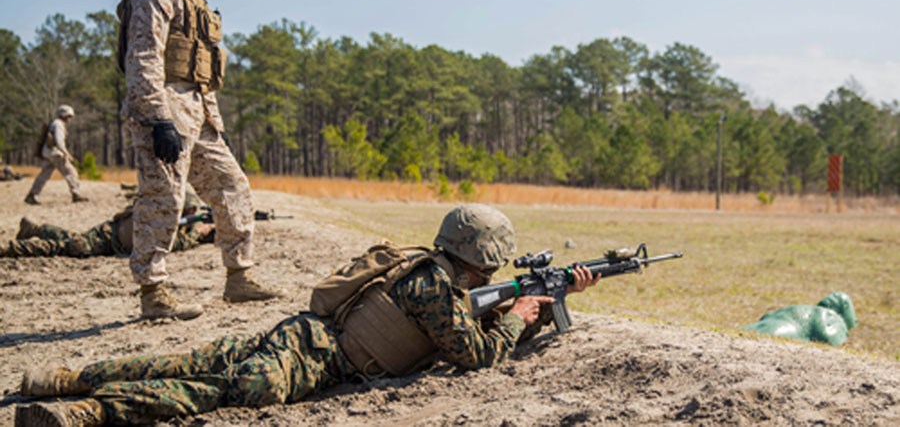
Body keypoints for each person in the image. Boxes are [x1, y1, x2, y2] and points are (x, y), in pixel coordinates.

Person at [14, 204, 601, 427]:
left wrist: (536, 304)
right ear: (482, 256)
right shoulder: (435, 289)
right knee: (223, 388)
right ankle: (89, 411)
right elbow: (474, 354)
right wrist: (522, 315)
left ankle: (61, 380)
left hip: (305, 333)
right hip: (314, 355)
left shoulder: (433, 270)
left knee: (189, 359)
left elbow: (467, 324)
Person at [121, 0, 281, 321]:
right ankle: (153, 292)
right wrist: (158, 119)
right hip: (164, 113)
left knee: (233, 187)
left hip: (199, 116)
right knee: (164, 199)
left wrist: (216, 123)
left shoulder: (197, 2)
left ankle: (239, 277)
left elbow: (201, 71)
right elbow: (143, 60)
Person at [1, 189, 214, 260]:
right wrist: (198, 232)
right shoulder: (158, 224)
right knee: (70, 246)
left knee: (73, 237)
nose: (194, 213)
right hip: (106, 240)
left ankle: (34, 229)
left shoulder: (156, 210)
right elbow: (174, 244)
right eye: (191, 211)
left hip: (108, 231)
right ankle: (8, 249)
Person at [741, 291, 857, 346]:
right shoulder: (831, 317)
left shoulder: (804, 308)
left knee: (745, 334)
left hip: (766, 324)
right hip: (783, 331)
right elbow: (830, 338)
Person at [25, 105, 88, 204]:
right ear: (64, 115)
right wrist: (66, 153)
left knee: (44, 175)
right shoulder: (58, 125)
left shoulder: (54, 123)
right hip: (55, 153)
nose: (70, 118)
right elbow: (59, 142)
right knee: (70, 172)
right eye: (69, 116)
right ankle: (76, 194)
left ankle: (32, 195)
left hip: (47, 152)